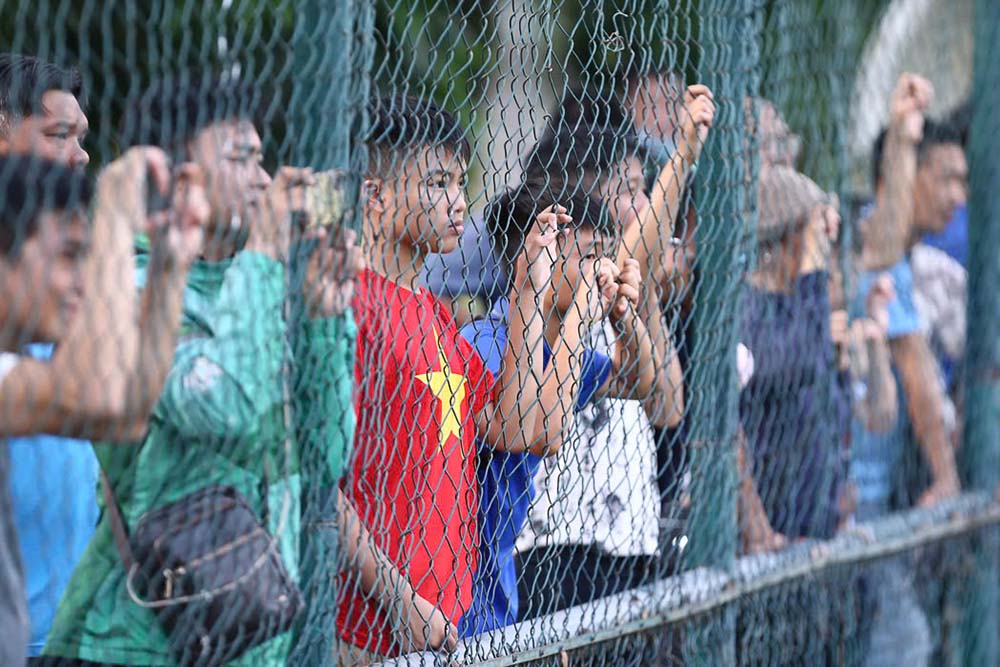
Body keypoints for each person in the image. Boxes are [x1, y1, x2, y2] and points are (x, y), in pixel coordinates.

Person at [335, 94, 548, 663]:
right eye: (436, 183)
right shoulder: (349, 305)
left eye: (460, 182)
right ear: (375, 197)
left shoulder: (431, 312)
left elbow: (516, 426)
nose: (458, 203)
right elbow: (318, 484)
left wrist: (527, 292)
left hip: (440, 626)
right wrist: (400, 600)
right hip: (364, 629)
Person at [514, 83, 712, 618]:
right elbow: (639, 242)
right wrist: (683, 158)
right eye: (628, 188)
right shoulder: (549, 293)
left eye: (646, 187)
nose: (643, 204)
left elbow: (667, 404)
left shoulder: (616, 300)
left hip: (624, 551)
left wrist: (640, 304)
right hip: (555, 559)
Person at [458, 178, 659, 637]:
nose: (601, 269)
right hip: (462, 580)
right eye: (588, 255)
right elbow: (542, 432)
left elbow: (640, 381)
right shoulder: (485, 343)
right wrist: (579, 315)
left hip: (497, 582)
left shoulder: (565, 349)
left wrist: (623, 315)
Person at [0, 54, 99, 661]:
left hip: (69, 629)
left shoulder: (68, 271)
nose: (81, 154)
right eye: (59, 135)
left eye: (82, 137)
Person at [856, 73, 965, 509]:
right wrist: (946, 476)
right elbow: (916, 373)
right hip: (853, 502)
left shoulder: (920, 263)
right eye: (945, 179)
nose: (958, 197)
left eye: (962, 181)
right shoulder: (868, 248)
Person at [738, 166, 845, 549]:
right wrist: (814, 270)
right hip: (771, 538)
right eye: (815, 232)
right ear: (792, 237)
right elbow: (805, 364)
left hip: (811, 528)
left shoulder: (795, 308)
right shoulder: (748, 310)